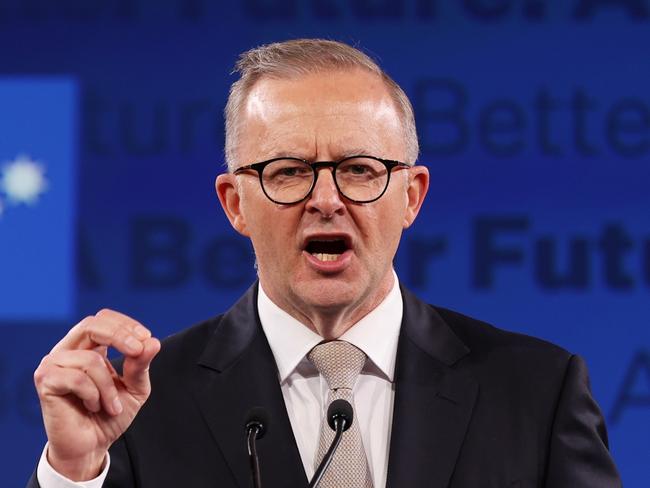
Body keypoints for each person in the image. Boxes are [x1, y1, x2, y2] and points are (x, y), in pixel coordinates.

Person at [28, 39, 621, 488]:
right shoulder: (141, 405)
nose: (326, 199)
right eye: (287, 171)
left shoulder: (537, 393)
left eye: (360, 169)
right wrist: (74, 473)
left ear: (411, 196)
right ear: (235, 204)